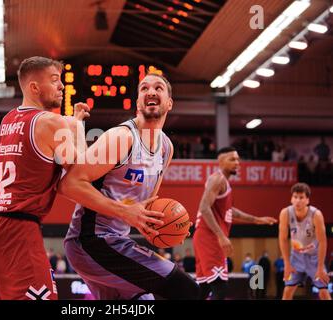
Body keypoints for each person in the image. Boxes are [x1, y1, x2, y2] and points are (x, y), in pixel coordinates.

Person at [59, 73, 200, 300]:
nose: (151, 91)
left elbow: (146, 206)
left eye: (158, 88)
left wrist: (169, 226)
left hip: (118, 241)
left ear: (169, 103)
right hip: (90, 241)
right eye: (144, 88)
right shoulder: (121, 137)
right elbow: (69, 184)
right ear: (137, 103)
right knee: (187, 290)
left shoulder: (166, 147)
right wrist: (125, 212)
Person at [0, 56, 90, 300]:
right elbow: (81, 170)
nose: (61, 86)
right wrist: (78, 128)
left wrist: (71, 124)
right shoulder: (51, 121)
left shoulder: (8, 120)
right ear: (34, 87)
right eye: (54, 80)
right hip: (18, 227)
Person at [193, 146, 277, 300]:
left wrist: (256, 219)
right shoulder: (217, 179)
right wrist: (221, 236)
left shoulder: (223, 182)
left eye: (238, 159)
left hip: (205, 236)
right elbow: (204, 208)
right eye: (232, 159)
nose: (237, 162)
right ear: (220, 161)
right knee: (220, 287)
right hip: (209, 236)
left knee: (204, 288)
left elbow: (229, 210)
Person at [278, 182, 331, 300]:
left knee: (323, 293)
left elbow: (323, 242)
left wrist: (321, 267)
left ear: (307, 200)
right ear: (291, 199)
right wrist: (287, 263)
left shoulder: (316, 214)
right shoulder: (285, 213)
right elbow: (282, 239)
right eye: (295, 197)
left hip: (315, 258)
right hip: (296, 257)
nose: (298, 200)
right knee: (287, 291)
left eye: (301, 197)